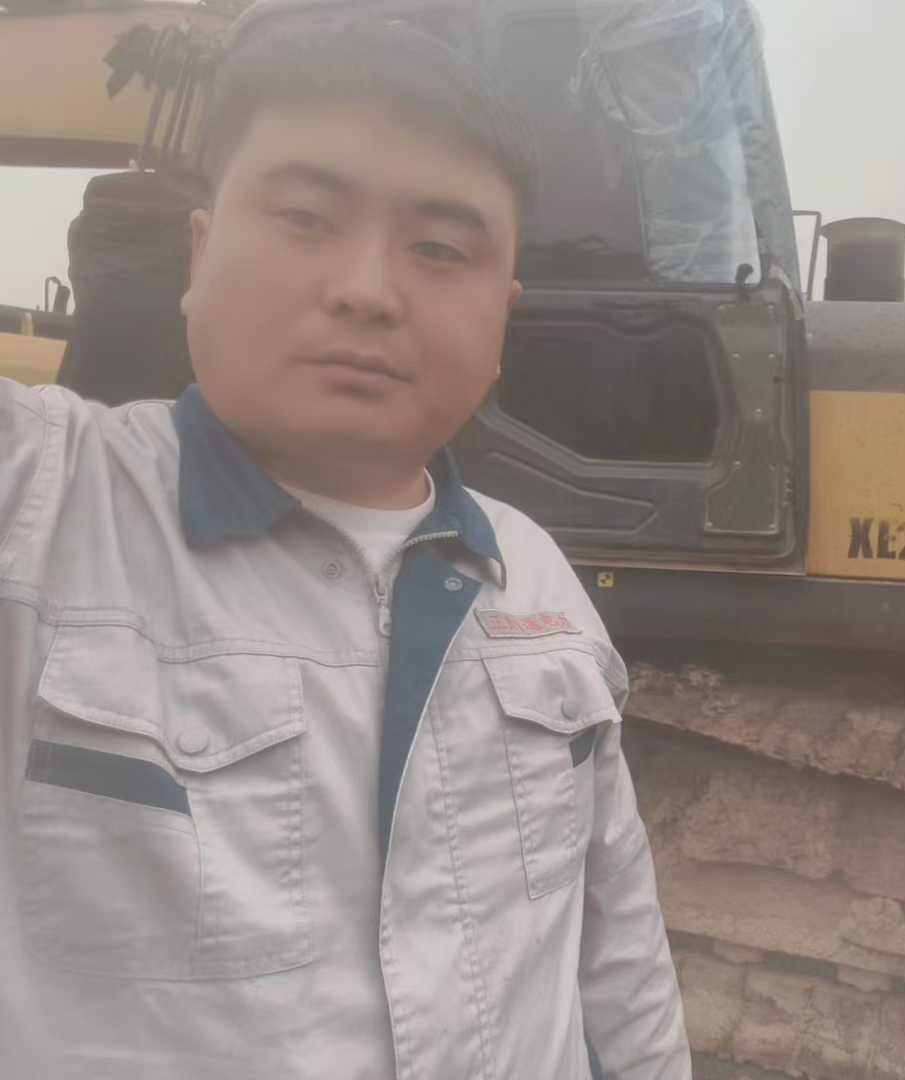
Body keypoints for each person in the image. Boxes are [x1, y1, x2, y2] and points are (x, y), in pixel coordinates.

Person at [0, 4, 690, 1077]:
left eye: (440, 248)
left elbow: (622, 963)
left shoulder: (534, 576)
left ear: (502, 315)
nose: (367, 290)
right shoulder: (43, 502)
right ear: (199, 249)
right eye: (306, 218)